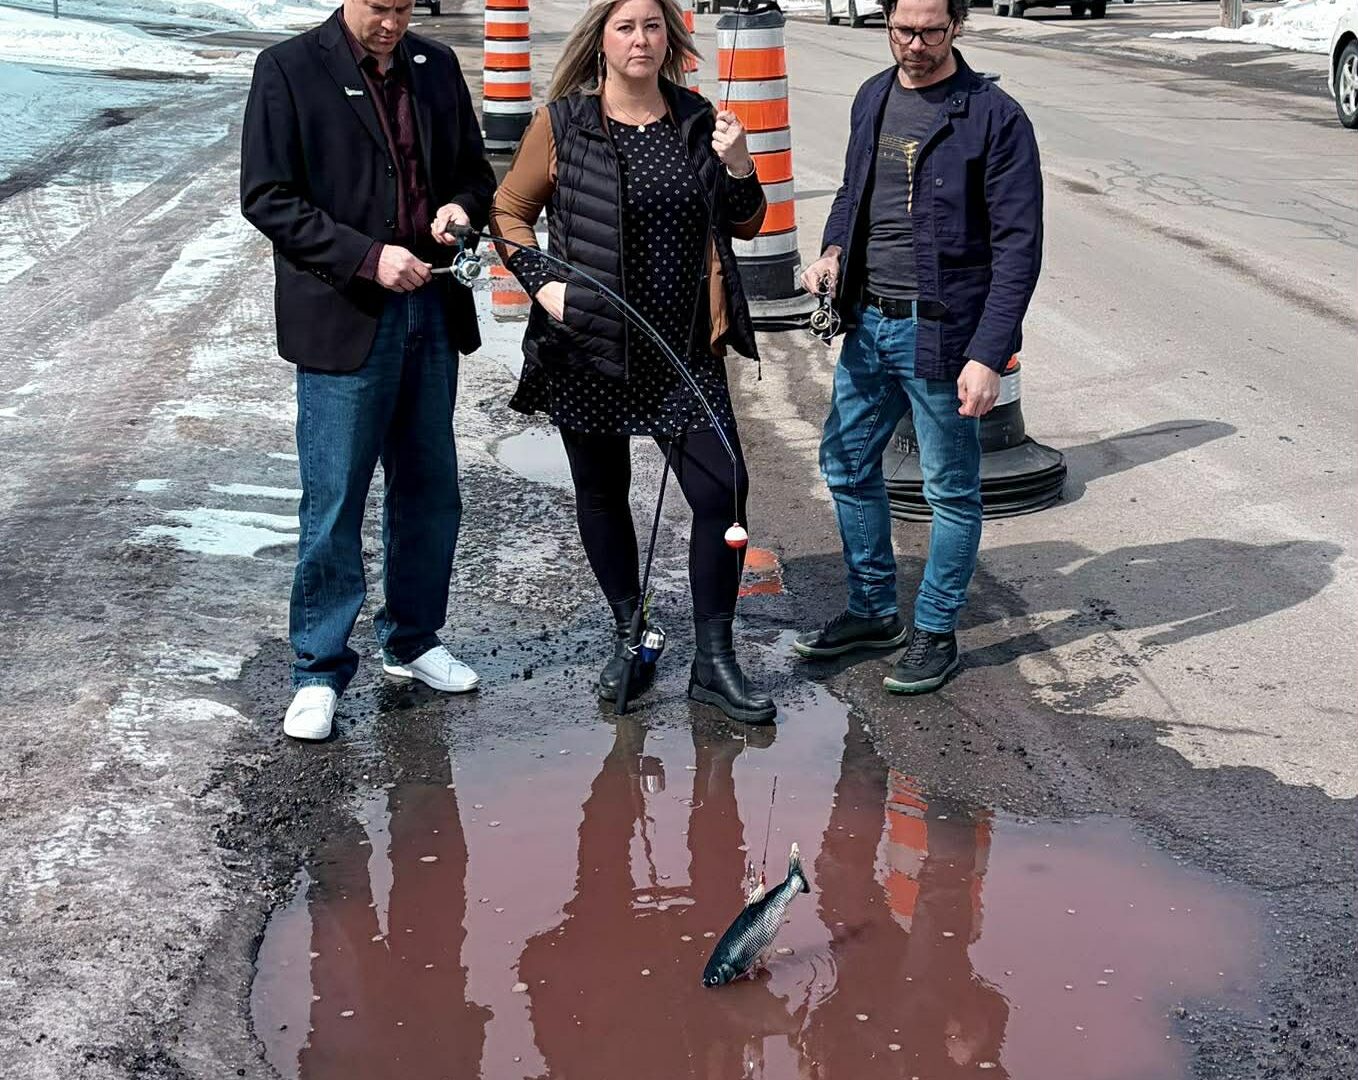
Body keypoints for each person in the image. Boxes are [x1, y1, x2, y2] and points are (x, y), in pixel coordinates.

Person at [491, 0, 776, 724]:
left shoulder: (698, 118)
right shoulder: (562, 124)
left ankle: (714, 658)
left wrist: (740, 163)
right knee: (602, 493)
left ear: (670, 38)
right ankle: (633, 634)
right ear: (602, 40)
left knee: (724, 494)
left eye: (652, 26)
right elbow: (509, 214)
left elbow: (746, 221)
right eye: (626, 27)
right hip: (588, 345)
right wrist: (545, 286)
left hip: (684, 351)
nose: (641, 39)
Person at [240, 0, 497, 740]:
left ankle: (414, 640)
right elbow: (267, 197)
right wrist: (366, 256)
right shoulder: (288, 69)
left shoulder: (436, 65)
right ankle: (318, 669)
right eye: (379, 7)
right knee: (334, 501)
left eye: (404, 6)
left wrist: (457, 208)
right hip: (345, 314)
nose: (392, 22)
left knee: (429, 490)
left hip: (431, 310)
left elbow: (475, 174)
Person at [793, 0, 1042, 695]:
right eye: (904, 30)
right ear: (887, 23)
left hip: (944, 334)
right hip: (869, 323)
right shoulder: (873, 96)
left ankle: (936, 629)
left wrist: (990, 354)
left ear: (957, 25)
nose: (917, 45)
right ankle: (873, 609)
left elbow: (1019, 249)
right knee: (845, 462)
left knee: (950, 490)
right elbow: (853, 193)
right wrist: (832, 253)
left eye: (932, 31)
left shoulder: (995, 117)